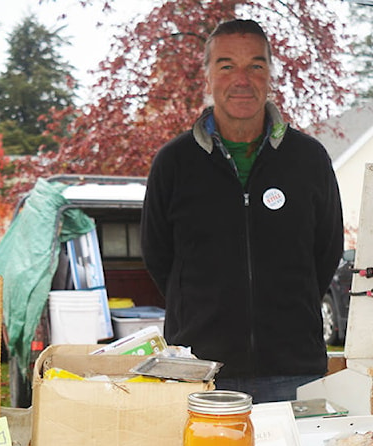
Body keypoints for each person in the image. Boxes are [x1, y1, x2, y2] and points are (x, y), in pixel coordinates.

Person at [141, 18, 344, 403]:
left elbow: (327, 251)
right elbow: (158, 257)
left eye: (255, 65)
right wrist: (202, 314)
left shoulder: (309, 159)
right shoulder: (174, 163)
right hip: (201, 371)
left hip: (293, 370)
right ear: (207, 76)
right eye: (226, 65)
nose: (242, 78)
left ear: (270, 74)